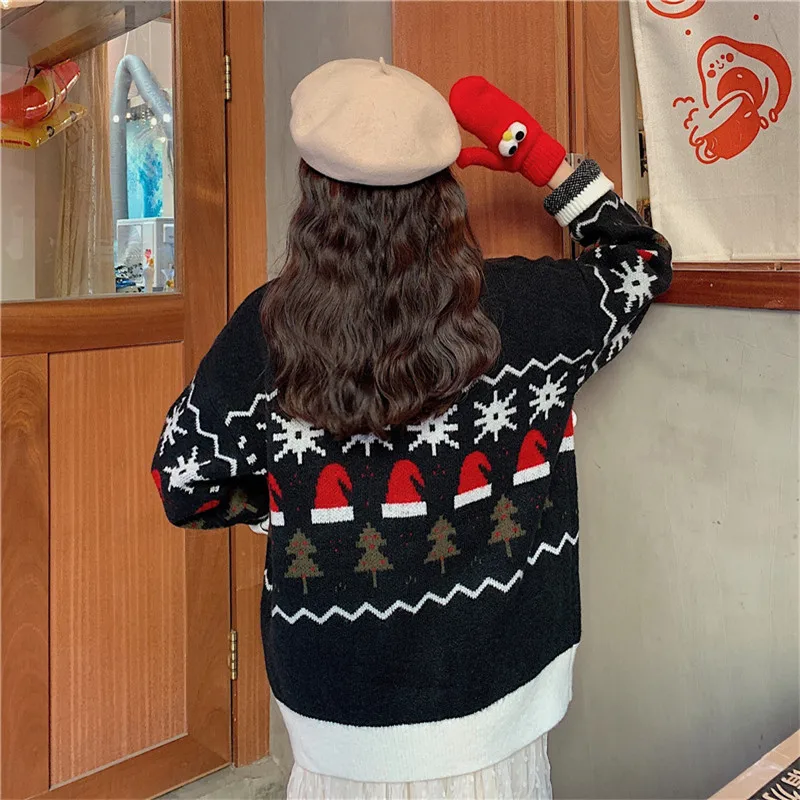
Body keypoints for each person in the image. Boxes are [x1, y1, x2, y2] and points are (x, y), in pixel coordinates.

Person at [152, 58, 672, 799]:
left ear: (314, 196)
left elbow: (184, 484)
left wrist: (287, 503)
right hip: (505, 707)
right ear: (446, 193)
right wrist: (541, 159)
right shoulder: (534, 312)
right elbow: (640, 259)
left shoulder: (264, 335)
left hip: (336, 724)